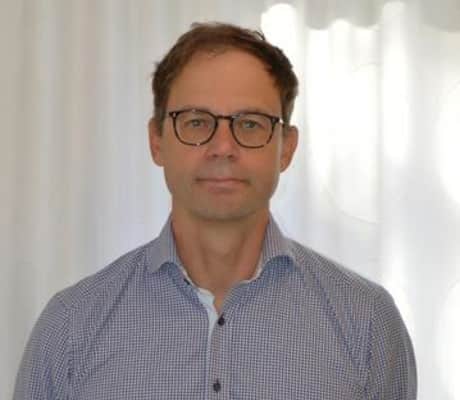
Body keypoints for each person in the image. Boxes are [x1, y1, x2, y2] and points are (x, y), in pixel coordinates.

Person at [14, 22, 417, 399]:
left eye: (250, 124)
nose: (223, 147)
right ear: (156, 141)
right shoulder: (70, 328)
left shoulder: (367, 323)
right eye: (195, 122)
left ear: (287, 148)